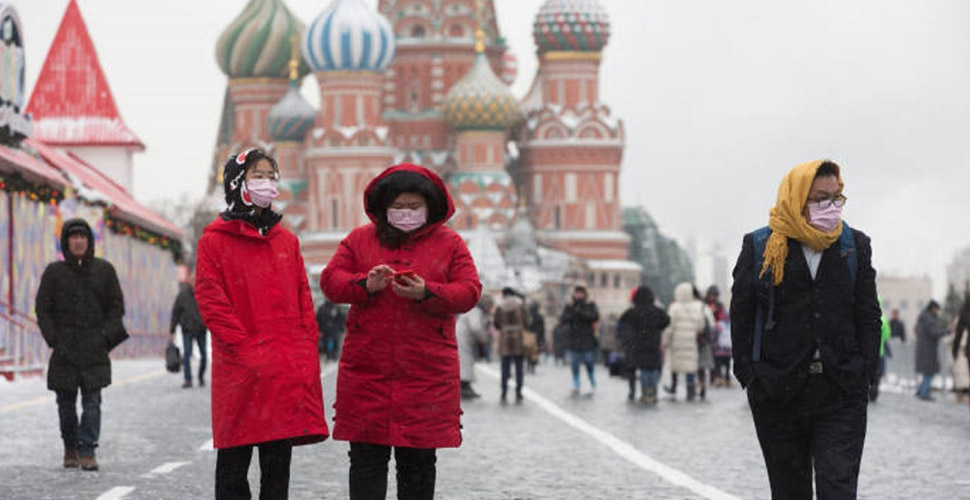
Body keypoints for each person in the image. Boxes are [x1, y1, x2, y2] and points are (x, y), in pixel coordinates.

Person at [319, 163, 481, 500]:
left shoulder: (450, 243)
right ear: (384, 207)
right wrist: (365, 284)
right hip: (368, 370)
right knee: (365, 460)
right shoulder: (360, 239)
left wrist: (428, 292)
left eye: (414, 206)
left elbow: (469, 291)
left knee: (418, 463)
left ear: (430, 207)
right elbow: (331, 281)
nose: (406, 213)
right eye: (398, 206)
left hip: (426, 371)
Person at [730, 160, 881, 500]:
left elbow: (869, 315)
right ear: (797, 199)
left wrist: (864, 372)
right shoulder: (761, 246)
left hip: (841, 390)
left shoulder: (854, 246)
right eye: (821, 198)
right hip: (778, 391)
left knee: (838, 489)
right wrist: (750, 375)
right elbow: (742, 313)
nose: (831, 207)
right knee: (789, 492)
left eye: (837, 198)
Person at [195, 149, 329, 499]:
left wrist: (304, 348)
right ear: (237, 183)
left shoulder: (287, 242)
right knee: (233, 467)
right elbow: (212, 301)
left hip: (282, 368)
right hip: (241, 369)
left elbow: (303, 300)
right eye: (258, 175)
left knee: (277, 467)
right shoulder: (214, 242)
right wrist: (246, 350)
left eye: (271, 176)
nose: (267, 183)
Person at [36, 218, 128, 471]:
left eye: (82, 236)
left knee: (92, 403)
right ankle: (70, 448)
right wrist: (54, 339)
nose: (78, 241)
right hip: (64, 351)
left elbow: (116, 308)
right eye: (73, 237)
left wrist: (105, 338)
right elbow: (43, 309)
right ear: (66, 242)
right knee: (65, 405)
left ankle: (88, 450)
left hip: (94, 349)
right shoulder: (54, 273)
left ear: (89, 241)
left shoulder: (104, 271)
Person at [617, 286, 671, 404]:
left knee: (644, 370)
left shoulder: (633, 312)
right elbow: (667, 320)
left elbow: (622, 322)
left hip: (639, 344)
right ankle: (653, 392)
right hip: (654, 343)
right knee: (654, 369)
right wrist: (658, 328)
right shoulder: (656, 311)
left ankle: (645, 393)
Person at [662, 282, 706, 401]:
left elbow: (669, 327)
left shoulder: (674, 307)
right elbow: (701, 326)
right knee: (690, 367)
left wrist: (665, 341)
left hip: (676, 343)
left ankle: (673, 386)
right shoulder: (697, 307)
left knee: (675, 365)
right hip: (691, 343)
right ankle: (690, 390)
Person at [169, 272, 207, 388]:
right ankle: (188, 380)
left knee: (204, 355)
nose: (194, 281)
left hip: (201, 329)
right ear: (189, 280)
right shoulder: (182, 295)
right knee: (186, 355)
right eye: (192, 279)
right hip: (187, 329)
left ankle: (201, 376)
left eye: (196, 279)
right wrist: (172, 330)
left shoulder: (204, 293)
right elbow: (175, 312)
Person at [561, 286, 600, 395]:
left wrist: (581, 313)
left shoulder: (590, 305)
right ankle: (576, 384)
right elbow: (564, 319)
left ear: (584, 294)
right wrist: (574, 313)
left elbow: (595, 317)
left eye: (580, 293)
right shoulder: (569, 307)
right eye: (577, 293)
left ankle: (592, 381)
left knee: (589, 362)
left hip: (587, 339)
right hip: (574, 340)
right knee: (574, 364)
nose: (578, 295)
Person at [494, 287, 528, 403]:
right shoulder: (520, 305)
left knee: (505, 368)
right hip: (518, 339)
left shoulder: (500, 306)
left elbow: (496, 324)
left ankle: (504, 391)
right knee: (519, 368)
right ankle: (519, 391)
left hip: (505, 340)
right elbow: (527, 322)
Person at [457, 295, 493, 399]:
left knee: (467, 363)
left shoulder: (479, 312)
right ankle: (464, 386)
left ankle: (466, 385)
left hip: (467, 339)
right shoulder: (475, 312)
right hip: (464, 339)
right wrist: (483, 338)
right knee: (465, 363)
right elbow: (476, 327)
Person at [915, 300, 948, 401]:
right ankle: (924, 393)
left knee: (928, 372)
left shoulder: (923, 317)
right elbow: (934, 333)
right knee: (929, 372)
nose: (938, 311)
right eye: (937, 309)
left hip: (924, 348)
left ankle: (921, 391)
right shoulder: (928, 318)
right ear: (933, 308)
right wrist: (947, 331)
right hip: (928, 349)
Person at [869, 303, 892, 402]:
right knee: (877, 375)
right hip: (879, 352)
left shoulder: (864, 316)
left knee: (866, 374)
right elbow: (887, 335)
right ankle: (873, 394)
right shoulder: (883, 319)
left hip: (866, 352)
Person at [951, 297, 970, 414]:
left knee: (961, 374)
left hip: (964, 350)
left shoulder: (962, 315)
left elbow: (958, 334)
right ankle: (963, 395)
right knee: (963, 374)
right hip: (964, 350)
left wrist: (954, 350)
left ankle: (962, 395)